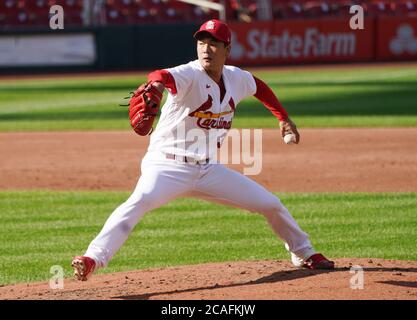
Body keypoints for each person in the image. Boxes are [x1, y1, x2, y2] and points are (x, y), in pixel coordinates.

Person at [71, 19, 334, 281]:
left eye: (213, 43)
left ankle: (304, 253)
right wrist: (158, 88)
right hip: (167, 166)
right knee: (138, 203)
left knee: (270, 204)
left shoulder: (235, 78)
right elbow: (159, 76)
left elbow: (259, 87)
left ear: (227, 50)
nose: (206, 49)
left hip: (208, 169)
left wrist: (283, 118)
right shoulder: (189, 74)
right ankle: (93, 258)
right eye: (201, 42)